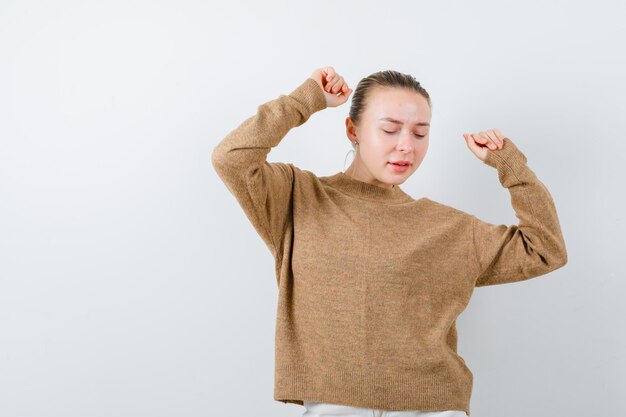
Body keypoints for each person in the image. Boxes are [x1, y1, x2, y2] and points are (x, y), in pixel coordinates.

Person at [211, 66, 568, 417]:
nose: (406, 147)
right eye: (390, 129)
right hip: (332, 404)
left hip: (432, 407)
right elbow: (232, 158)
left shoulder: (449, 227)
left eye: (419, 133)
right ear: (353, 129)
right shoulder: (296, 197)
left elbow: (545, 249)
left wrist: (511, 166)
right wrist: (306, 99)